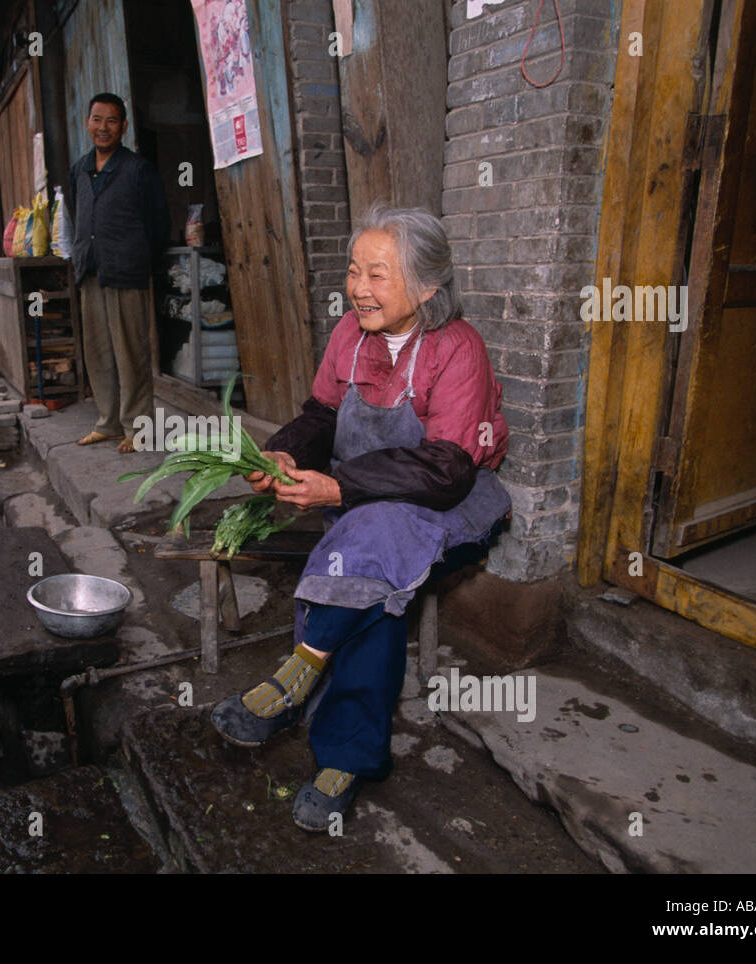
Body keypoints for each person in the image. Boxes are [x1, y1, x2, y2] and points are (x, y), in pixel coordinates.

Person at [209, 205, 511, 831]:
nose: (358, 288)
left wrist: (338, 487)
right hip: (357, 505)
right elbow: (321, 414)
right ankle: (347, 758)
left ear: (427, 287)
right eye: (354, 272)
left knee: (375, 541)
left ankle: (301, 672)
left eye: (378, 274)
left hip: (450, 505)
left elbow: (447, 469)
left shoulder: (458, 349)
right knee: (375, 588)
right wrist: (288, 451)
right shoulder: (351, 334)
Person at [68, 92, 170, 453]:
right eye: (97, 119)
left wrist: (141, 259)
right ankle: (108, 423)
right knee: (98, 353)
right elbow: (77, 213)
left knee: (131, 353)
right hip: (91, 270)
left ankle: (138, 428)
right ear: (87, 123)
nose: (103, 127)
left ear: (123, 127)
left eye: (111, 121)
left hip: (127, 271)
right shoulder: (79, 170)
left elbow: (158, 224)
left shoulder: (138, 169)